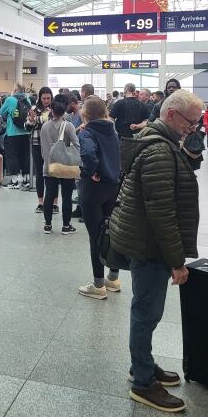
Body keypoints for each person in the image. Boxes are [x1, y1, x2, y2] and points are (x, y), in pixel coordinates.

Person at [108, 89, 203, 413]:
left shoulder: (159, 142)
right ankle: (143, 383)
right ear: (172, 115)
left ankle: (142, 365)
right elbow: (161, 212)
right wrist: (177, 262)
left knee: (148, 310)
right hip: (149, 246)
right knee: (146, 312)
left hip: (146, 241)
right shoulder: (160, 152)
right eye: (190, 122)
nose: (193, 129)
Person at [77, 95, 121, 299]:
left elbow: (87, 154)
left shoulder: (87, 132)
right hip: (113, 186)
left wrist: (90, 170)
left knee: (95, 237)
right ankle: (113, 278)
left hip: (93, 188)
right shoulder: (112, 130)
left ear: (85, 113)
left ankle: (98, 285)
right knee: (111, 233)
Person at [39, 93, 79, 235]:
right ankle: (66, 226)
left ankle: (48, 225)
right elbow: (76, 145)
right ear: (64, 110)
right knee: (67, 196)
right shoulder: (68, 126)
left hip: (49, 165)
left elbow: (43, 149)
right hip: (66, 165)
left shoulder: (45, 126)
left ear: (52, 110)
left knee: (50, 195)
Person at [25, 87, 54, 214]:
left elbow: (56, 124)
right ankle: (40, 202)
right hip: (37, 143)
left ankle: (54, 203)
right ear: (40, 98)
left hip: (53, 145)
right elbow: (27, 127)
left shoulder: (55, 110)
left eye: (48, 98)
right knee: (40, 173)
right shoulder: (33, 110)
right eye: (44, 98)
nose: (46, 101)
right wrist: (31, 121)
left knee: (53, 172)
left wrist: (38, 121)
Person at [0, 83, 31, 190]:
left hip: (12, 133)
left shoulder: (10, 100)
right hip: (26, 132)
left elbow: (1, 113)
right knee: (25, 156)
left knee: (12, 156)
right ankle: (26, 180)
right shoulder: (28, 100)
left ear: (16, 90)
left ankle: (15, 181)